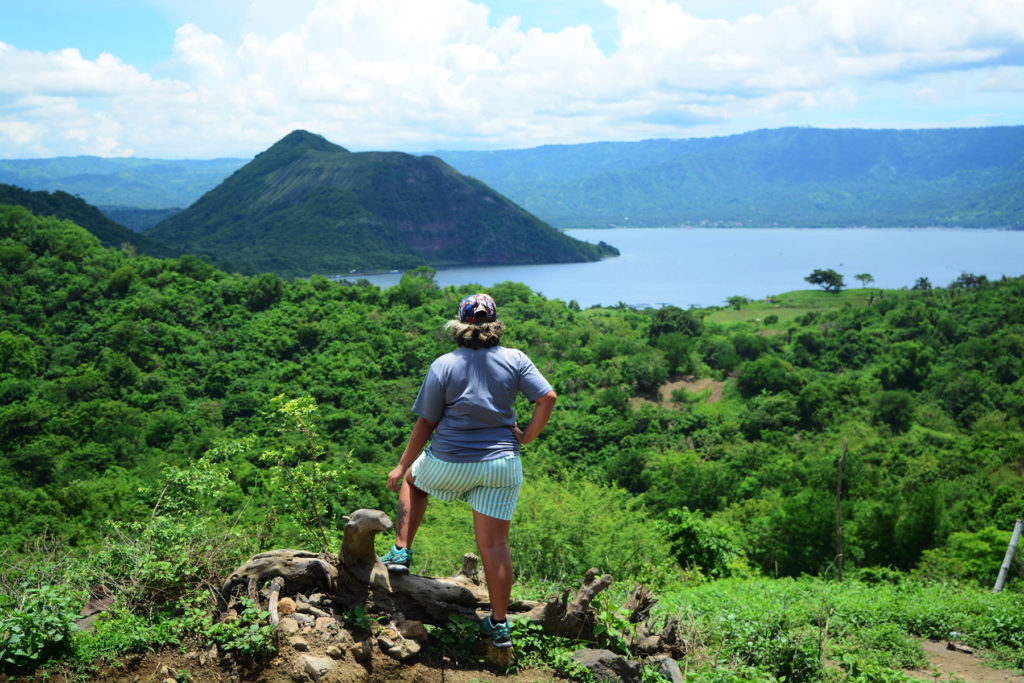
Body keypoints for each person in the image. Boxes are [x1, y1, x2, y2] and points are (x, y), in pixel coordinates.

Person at [379, 293, 557, 649]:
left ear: (459, 326)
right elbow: (547, 398)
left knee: (414, 481)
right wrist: (526, 437)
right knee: (494, 545)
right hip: (502, 466)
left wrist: (401, 465)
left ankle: (400, 552)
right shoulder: (516, 359)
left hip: (450, 461)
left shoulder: (445, 364)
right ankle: (499, 624)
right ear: (494, 325)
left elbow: (427, 421)